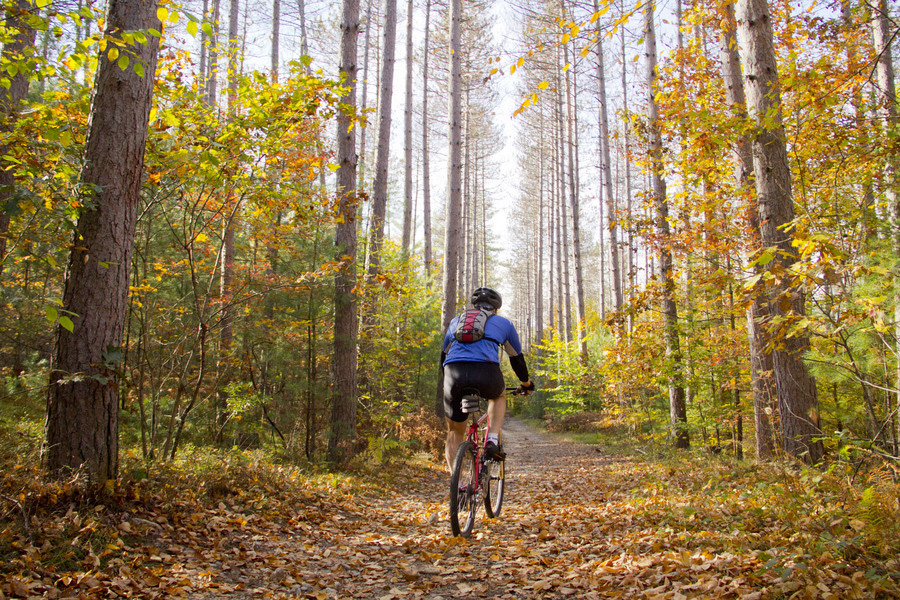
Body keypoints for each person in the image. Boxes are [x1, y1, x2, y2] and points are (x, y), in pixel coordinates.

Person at [440, 286, 535, 471]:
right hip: (486, 371)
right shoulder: (503, 323)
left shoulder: (455, 322)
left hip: (453, 373)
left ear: (474, 306)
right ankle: (492, 438)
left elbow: (443, 357)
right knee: (498, 396)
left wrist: (448, 384)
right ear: (496, 309)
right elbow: (516, 358)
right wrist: (525, 383)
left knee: (454, 432)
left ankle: (456, 484)